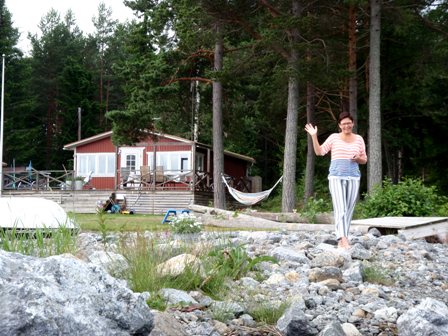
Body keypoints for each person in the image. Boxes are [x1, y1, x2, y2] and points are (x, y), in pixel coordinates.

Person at [304, 112, 367, 249]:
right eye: (343, 123)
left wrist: (358, 158)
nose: (346, 126)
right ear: (339, 125)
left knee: (349, 209)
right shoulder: (334, 138)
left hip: (353, 177)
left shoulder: (359, 139)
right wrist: (314, 136)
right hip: (336, 177)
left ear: (353, 123)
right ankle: (343, 239)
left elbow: (364, 159)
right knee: (340, 208)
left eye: (348, 123)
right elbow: (319, 152)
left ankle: (341, 241)